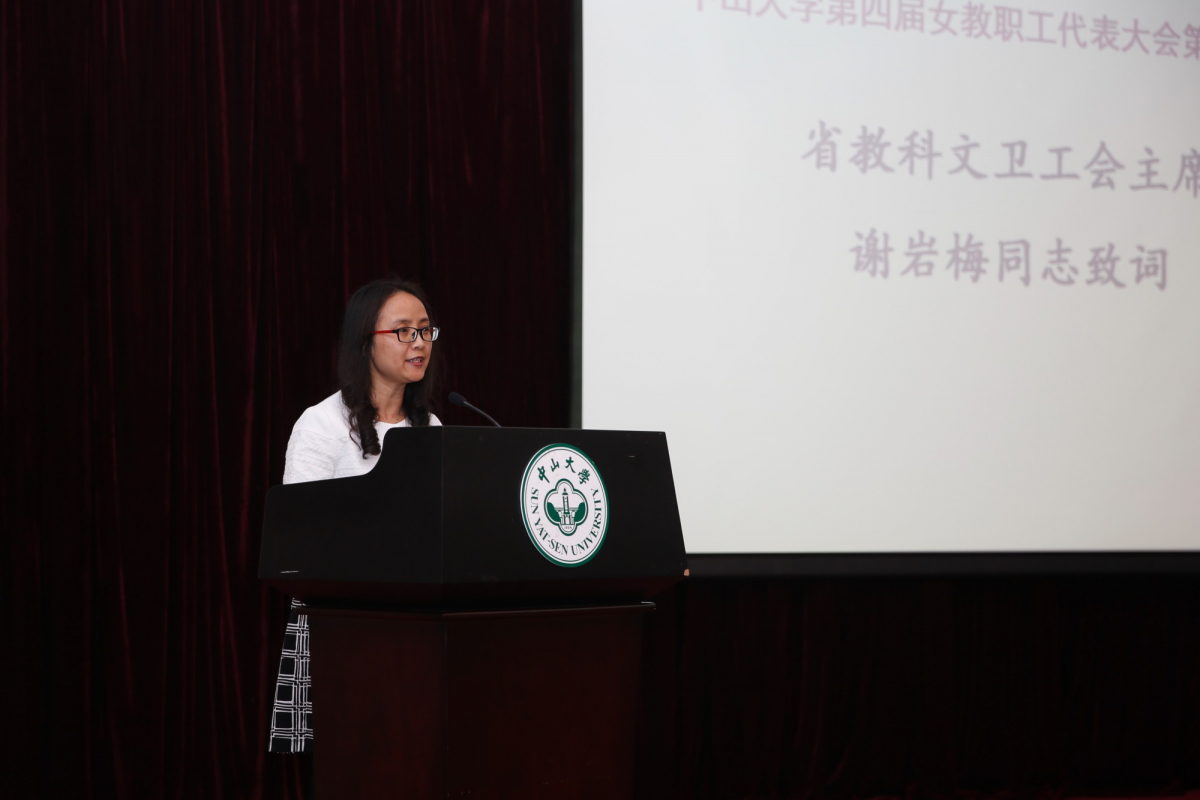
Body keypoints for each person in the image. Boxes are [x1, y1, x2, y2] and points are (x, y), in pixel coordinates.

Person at [268, 278, 443, 754]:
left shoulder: (431, 428)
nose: (419, 342)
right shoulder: (322, 424)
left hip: (416, 623)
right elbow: (301, 537)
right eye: (403, 331)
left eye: (425, 330)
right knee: (351, 760)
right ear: (366, 341)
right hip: (341, 625)